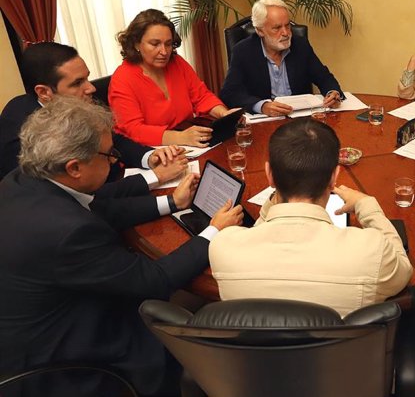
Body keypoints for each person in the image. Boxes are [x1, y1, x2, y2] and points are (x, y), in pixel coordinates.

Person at [0, 97, 244, 396]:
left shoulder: (24, 180)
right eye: (109, 155)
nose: (115, 160)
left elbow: (100, 206)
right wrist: (214, 231)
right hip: (61, 359)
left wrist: (172, 202)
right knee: (172, 332)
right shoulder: (69, 232)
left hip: (31, 322)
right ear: (75, 167)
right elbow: (154, 281)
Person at [210, 118, 412, 317]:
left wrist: (273, 200)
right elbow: (404, 269)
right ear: (334, 177)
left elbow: (257, 234)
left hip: (252, 349)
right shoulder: (372, 252)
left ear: (269, 174)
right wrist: (366, 205)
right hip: (339, 351)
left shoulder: (223, 246)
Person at [0, 42, 187, 183]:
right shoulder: (20, 137)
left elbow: (114, 139)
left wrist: (150, 157)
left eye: (87, 78)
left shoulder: (76, 102)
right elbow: (73, 196)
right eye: (77, 83)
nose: (90, 88)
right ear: (44, 92)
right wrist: (154, 177)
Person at [109, 9, 237, 147]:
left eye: (168, 44)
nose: (164, 52)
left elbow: (201, 97)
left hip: (186, 144)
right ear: (136, 44)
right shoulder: (122, 79)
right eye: (155, 44)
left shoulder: (177, 63)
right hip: (150, 153)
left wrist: (224, 115)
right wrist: (180, 137)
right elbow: (133, 130)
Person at [219, 0, 344, 116]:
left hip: (301, 119)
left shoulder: (300, 45)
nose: (285, 33)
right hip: (266, 121)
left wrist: (332, 92)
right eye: (277, 28)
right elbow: (230, 93)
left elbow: (324, 77)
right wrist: (261, 106)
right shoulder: (243, 51)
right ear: (260, 31)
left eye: (287, 25)